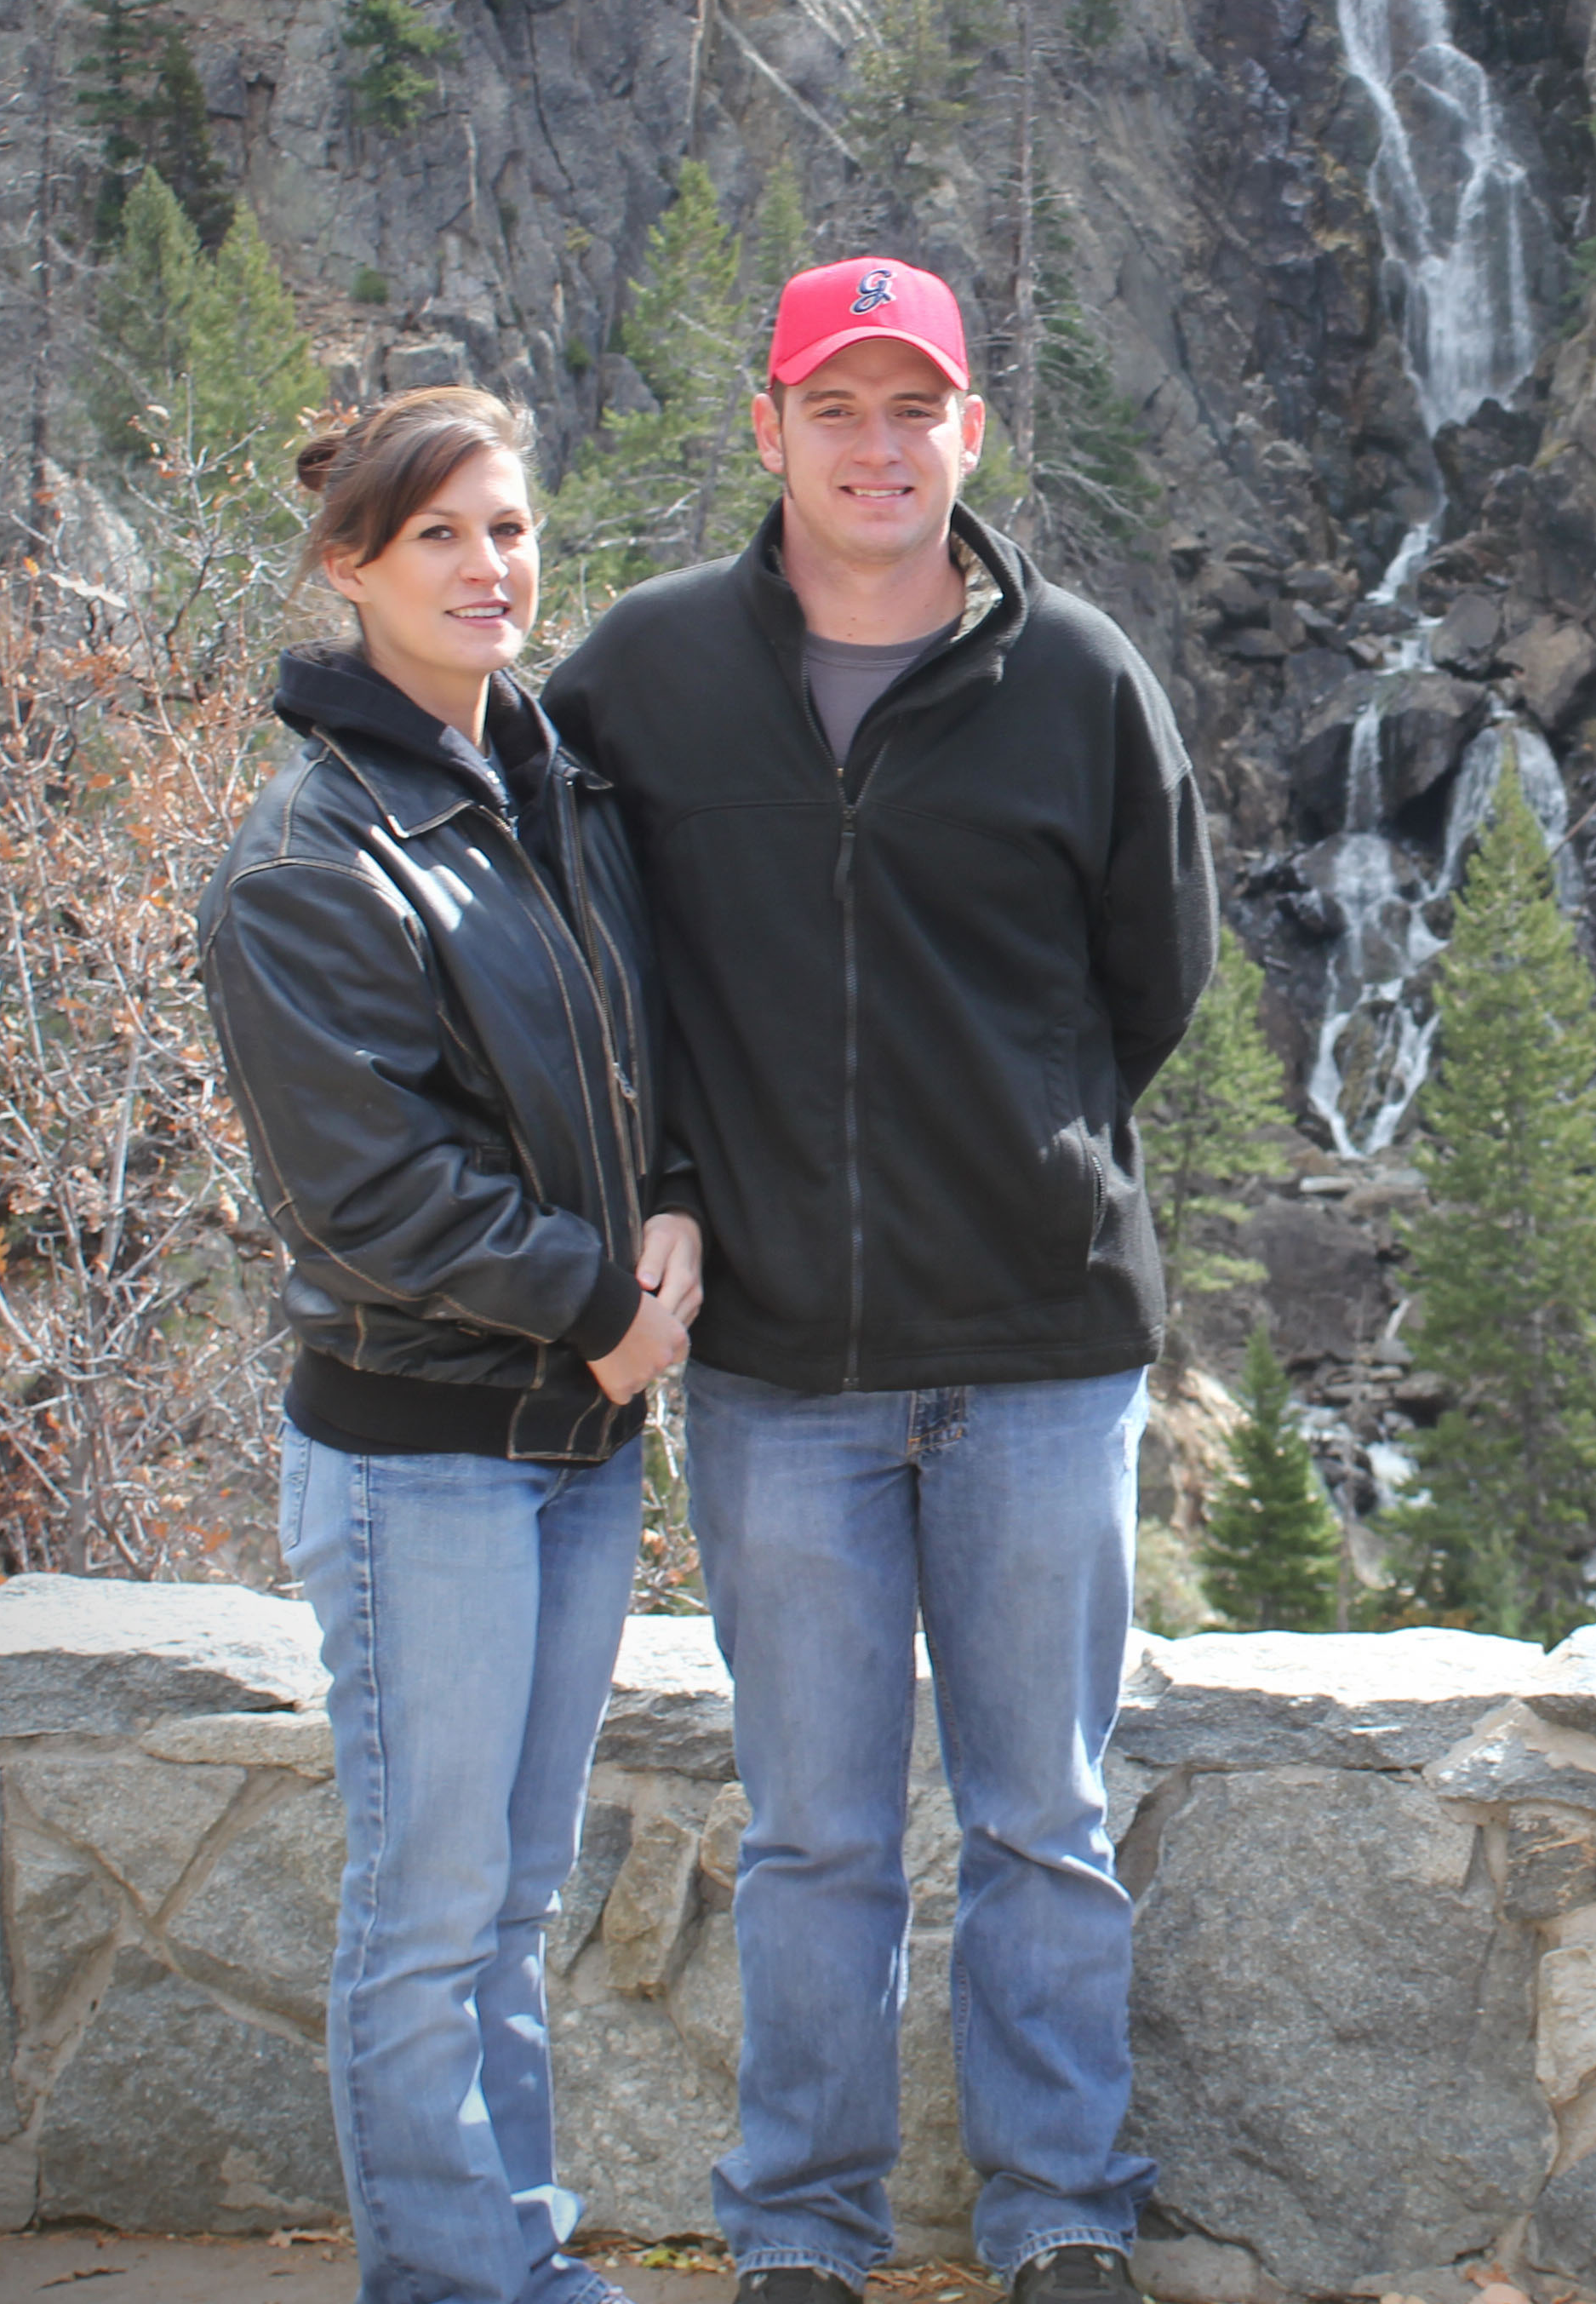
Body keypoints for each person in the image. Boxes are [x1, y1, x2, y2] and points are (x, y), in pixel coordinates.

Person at [543, 255, 1214, 2304]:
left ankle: (1063, 2215)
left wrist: (1024, 1148)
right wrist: (674, 1181)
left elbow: (1155, 976)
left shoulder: (1079, 678)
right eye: (832, 406)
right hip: (777, 1366)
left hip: (1037, 1351)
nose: (875, 444)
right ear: (767, 430)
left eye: (912, 405)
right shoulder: (642, 678)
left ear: (970, 432)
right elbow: (584, 975)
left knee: (1043, 1822)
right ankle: (802, 2231)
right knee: (816, 1833)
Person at [197, 387, 705, 2304]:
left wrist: (673, 1200)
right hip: (426, 1456)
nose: (491, 567)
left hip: (573, 1442)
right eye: (441, 537)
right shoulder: (311, 860)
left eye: (509, 527)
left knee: (511, 1897)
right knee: (426, 1909)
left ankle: (518, 2262)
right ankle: (449, 2282)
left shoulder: (551, 790)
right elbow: (370, 1197)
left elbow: (636, 1046)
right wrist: (602, 1311)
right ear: (349, 566)